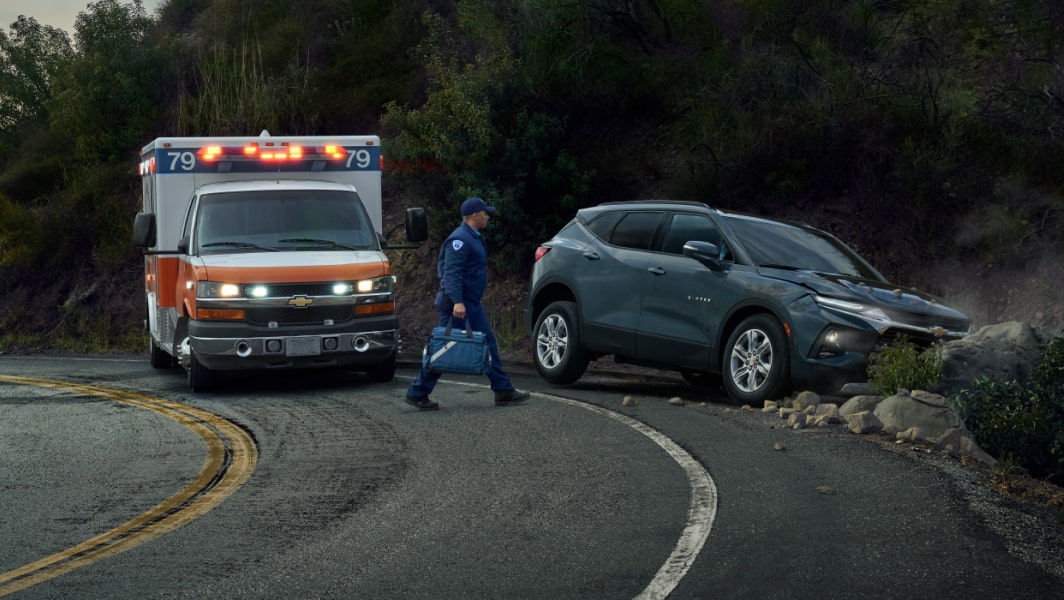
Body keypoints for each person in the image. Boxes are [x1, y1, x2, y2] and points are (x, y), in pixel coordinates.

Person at [404, 197, 531, 411]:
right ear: (474, 215)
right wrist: (457, 302)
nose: (487, 216)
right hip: (458, 304)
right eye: (485, 213)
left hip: (469, 303)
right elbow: (451, 273)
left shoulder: (471, 237)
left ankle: (503, 390)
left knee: (487, 342)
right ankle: (418, 392)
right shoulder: (460, 240)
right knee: (445, 347)